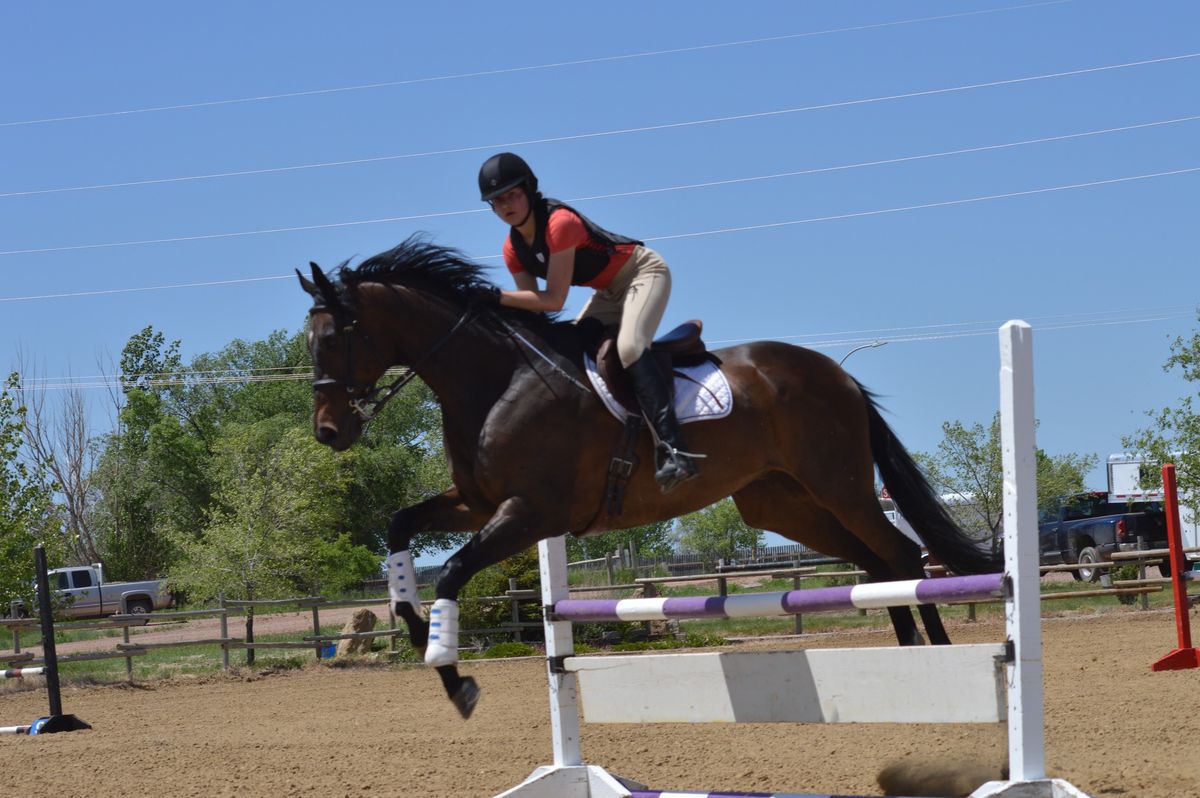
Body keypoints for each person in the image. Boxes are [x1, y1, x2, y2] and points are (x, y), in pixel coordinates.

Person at [477, 151, 701, 493]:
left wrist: (494, 296)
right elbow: (536, 312)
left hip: (643, 272)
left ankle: (675, 449)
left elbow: (553, 299)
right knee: (570, 348)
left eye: (512, 194)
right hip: (607, 291)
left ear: (529, 189)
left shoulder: (559, 223)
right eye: (497, 200)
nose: (506, 204)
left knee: (629, 347)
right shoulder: (512, 249)